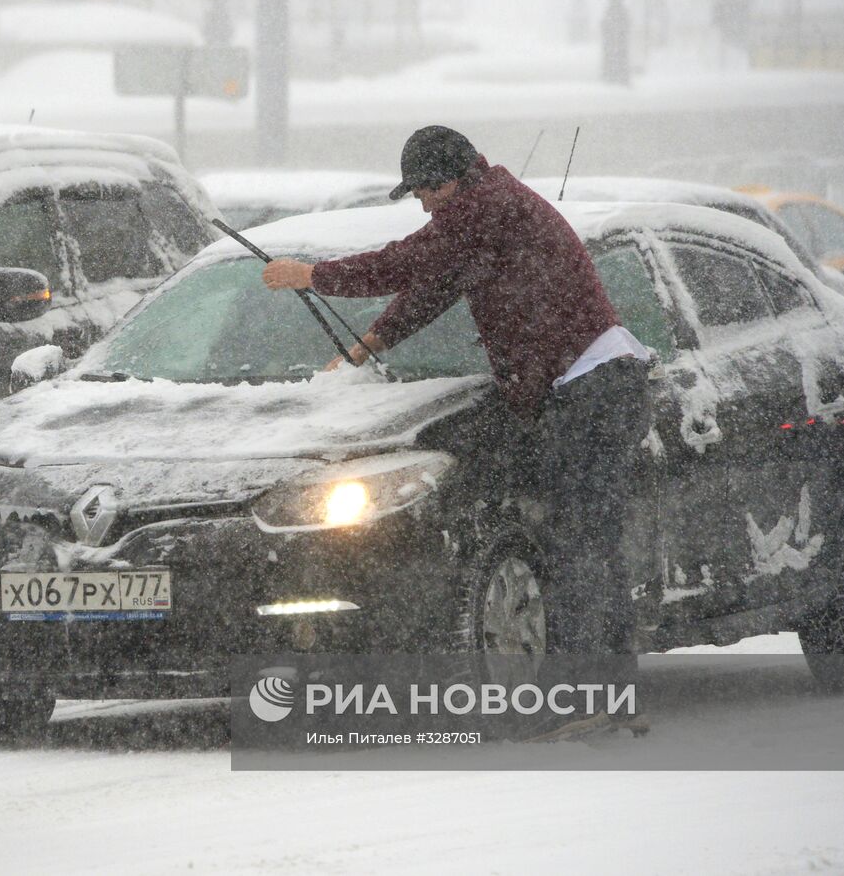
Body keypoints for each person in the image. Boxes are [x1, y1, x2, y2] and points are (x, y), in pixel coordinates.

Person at [262, 125, 653, 738]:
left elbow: (404, 262)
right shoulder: (490, 210)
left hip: (592, 388)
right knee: (587, 546)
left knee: (578, 549)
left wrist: (313, 275)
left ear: (452, 179)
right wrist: (370, 344)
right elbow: (435, 286)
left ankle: (589, 701)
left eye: (423, 192)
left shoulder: (485, 207)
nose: (421, 204)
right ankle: (613, 696)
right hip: (593, 385)